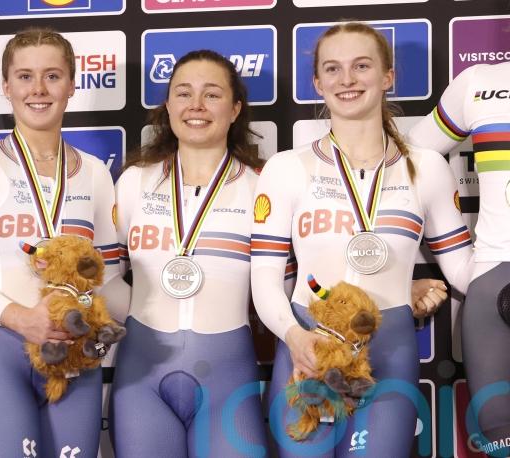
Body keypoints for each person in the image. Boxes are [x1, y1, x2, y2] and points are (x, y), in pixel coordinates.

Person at [250, 22, 474, 458]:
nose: (347, 79)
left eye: (362, 66)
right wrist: (295, 338)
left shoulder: (427, 167)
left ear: (388, 76)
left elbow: (465, 272)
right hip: (306, 344)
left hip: (390, 351)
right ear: (318, 83)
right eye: (332, 69)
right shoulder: (286, 168)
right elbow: (265, 278)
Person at [0, 27, 120, 457]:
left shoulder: (95, 173)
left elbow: (109, 281)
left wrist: (165, 312)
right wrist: (22, 319)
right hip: (0, 355)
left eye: (52, 76)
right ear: (6, 87)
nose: (38, 89)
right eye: (24, 77)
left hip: (75, 361)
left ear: (71, 85)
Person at [108, 49, 275, 457]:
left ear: (235, 109)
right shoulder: (134, 183)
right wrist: (147, 314)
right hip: (142, 376)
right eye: (183, 93)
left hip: (228, 378)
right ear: (168, 106)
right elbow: (105, 278)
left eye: (212, 94)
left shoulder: (263, 186)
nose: (196, 105)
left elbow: (285, 288)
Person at [407, 61, 510, 457]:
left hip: (489, 285)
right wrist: (460, 266)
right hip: (492, 285)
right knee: (499, 440)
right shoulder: (479, 82)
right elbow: (409, 161)